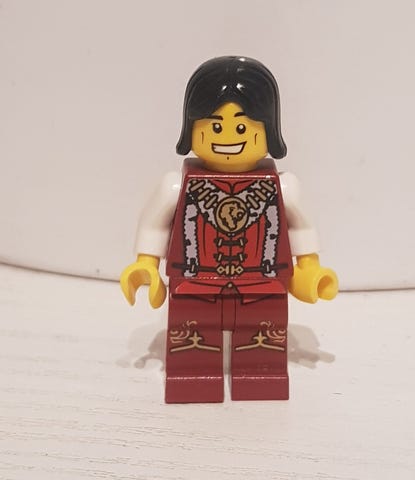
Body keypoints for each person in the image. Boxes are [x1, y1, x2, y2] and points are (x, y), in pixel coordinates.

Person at [121, 56, 338, 403]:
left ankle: (260, 376)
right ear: (191, 127)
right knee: (192, 333)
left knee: (262, 334)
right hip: (194, 281)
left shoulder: (285, 187)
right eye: (214, 126)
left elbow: (300, 229)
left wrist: (310, 269)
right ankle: (192, 376)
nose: (226, 137)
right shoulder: (175, 186)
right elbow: (155, 226)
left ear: (268, 130)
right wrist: (145, 265)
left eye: (242, 128)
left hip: (262, 281)